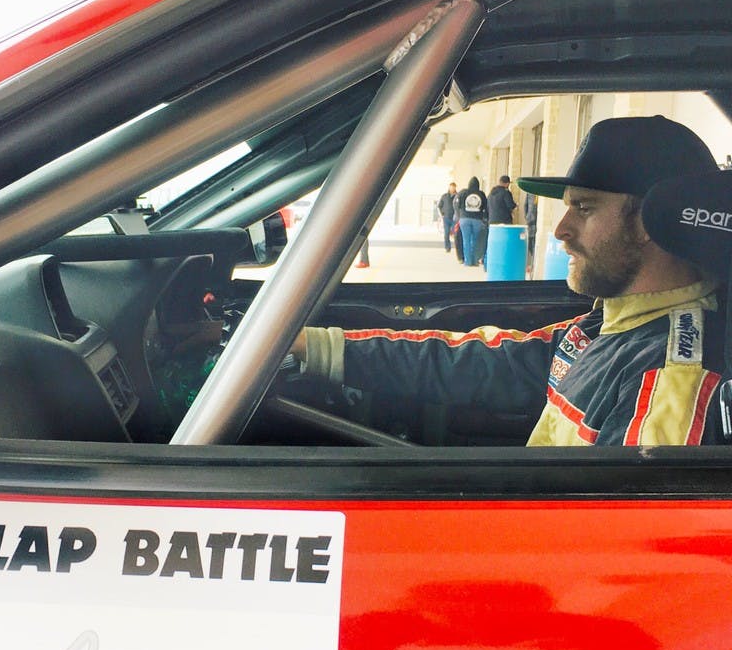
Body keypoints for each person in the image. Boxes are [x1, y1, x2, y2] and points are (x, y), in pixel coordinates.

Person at [290, 116, 725, 446]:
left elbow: (619, 535)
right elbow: (481, 362)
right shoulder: (608, 325)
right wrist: (312, 346)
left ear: (650, 223)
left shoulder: (668, 381)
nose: (561, 230)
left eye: (584, 208)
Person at [456, 177, 488, 266]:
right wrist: (484, 218)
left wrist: (459, 215)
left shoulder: (463, 192)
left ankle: (467, 261)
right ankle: (474, 261)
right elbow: (485, 207)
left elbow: (457, 204)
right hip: (477, 219)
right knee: (475, 241)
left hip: (464, 219)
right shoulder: (481, 194)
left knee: (466, 240)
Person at [437, 183, 458, 253]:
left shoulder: (458, 196)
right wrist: (441, 215)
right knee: (446, 233)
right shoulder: (445, 196)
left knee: (455, 234)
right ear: (449, 188)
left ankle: (457, 248)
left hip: (455, 218)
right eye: (451, 187)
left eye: (453, 187)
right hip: (446, 218)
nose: (452, 188)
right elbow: (439, 206)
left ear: (455, 188)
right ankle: (447, 247)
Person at [524, 191, 538, 271]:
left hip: (535, 221)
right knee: (531, 244)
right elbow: (526, 205)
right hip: (531, 221)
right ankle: (532, 264)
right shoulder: (530, 192)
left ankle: (533, 265)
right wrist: (527, 217)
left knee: (534, 244)